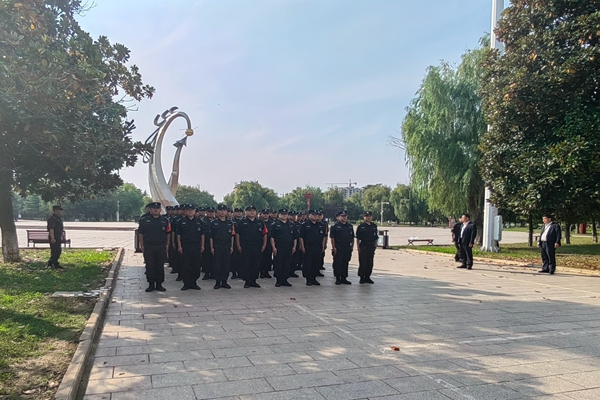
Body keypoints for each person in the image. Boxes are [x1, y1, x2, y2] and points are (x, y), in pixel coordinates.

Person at [138, 202, 171, 292]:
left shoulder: (165, 220)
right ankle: (151, 284)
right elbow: (140, 233)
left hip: (161, 246)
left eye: (157, 208)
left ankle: (159, 284)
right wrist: (142, 245)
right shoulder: (144, 220)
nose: (156, 210)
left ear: (160, 209)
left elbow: (168, 233)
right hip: (149, 246)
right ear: (150, 210)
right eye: (154, 208)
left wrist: (167, 244)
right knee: (150, 265)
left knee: (160, 265)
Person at [235, 205, 268, 288]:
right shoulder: (242, 222)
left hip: (257, 246)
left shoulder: (260, 222)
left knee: (256, 263)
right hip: (246, 246)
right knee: (246, 264)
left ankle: (254, 280)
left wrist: (264, 245)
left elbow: (264, 234)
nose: (252, 212)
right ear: (246, 212)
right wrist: (238, 245)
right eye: (249, 210)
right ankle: (247, 281)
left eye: (253, 210)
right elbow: (238, 234)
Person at [176, 204, 204, 290]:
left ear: (195, 211)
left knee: (196, 266)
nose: (190, 211)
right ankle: (186, 283)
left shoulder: (199, 221)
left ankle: (194, 282)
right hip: (186, 246)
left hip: (196, 246)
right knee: (186, 265)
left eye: (192, 210)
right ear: (186, 211)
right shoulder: (181, 221)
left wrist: (202, 245)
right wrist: (179, 246)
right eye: (188, 210)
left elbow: (202, 234)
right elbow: (178, 235)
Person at [299, 210, 327, 286]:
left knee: (316, 263)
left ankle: (314, 278)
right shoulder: (305, 225)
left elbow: (323, 237)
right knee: (308, 263)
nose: (315, 216)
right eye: (313, 215)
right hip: (308, 247)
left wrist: (323, 246)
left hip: (318, 247)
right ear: (309, 215)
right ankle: (308, 279)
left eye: (316, 215)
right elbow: (301, 236)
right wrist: (302, 246)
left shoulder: (321, 225)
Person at [270, 209, 297, 287]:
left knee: (287, 264)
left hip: (288, 247)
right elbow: (272, 237)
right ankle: (278, 280)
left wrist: (294, 246)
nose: (284, 215)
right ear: (279, 215)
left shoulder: (291, 225)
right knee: (278, 264)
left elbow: (295, 237)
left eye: (285, 214)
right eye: (282, 214)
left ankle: (285, 280)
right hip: (279, 247)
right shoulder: (275, 225)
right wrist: (273, 247)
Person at [210, 204, 235, 289]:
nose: (222, 212)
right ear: (217, 212)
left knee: (226, 264)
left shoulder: (230, 223)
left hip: (227, 246)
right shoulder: (214, 223)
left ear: (226, 212)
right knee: (217, 264)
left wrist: (232, 246)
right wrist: (212, 247)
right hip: (217, 246)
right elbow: (211, 236)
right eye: (220, 210)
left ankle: (224, 281)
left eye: (224, 210)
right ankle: (217, 281)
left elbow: (232, 236)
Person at [330, 210, 354, 285]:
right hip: (338, 246)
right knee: (338, 262)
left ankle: (344, 278)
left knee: (345, 262)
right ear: (338, 217)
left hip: (347, 246)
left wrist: (352, 246)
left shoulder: (349, 226)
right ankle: (338, 278)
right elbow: (332, 238)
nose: (344, 218)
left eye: (345, 216)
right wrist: (334, 247)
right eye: (342, 216)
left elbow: (352, 237)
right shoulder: (335, 226)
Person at [356, 211, 378, 284]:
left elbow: (376, 237)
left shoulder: (374, 226)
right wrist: (358, 247)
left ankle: (367, 277)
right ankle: (362, 277)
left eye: (370, 216)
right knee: (363, 262)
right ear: (364, 217)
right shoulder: (361, 226)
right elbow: (358, 238)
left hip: (371, 246)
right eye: (367, 216)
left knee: (370, 263)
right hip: (363, 246)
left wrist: (375, 244)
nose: (368, 218)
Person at [47, 205, 64, 269]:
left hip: (58, 237)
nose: (60, 211)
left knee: (58, 251)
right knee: (54, 251)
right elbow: (51, 229)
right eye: (59, 210)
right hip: (54, 237)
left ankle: (55, 263)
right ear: (56, 210)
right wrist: (52, 238)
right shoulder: (52, 219)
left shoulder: (58, 218)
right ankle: (50, 263)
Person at [230, 207, 244, 280]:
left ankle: (241, 273)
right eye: (237, 212)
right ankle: (234, 273)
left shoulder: (244, 221)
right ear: (234, 213)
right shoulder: (231, 222)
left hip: (243, 242)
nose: (239, 213)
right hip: (234, 242)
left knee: (242, 259)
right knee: (234, 258)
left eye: (240, 212)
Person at [259, 209, 273, 278]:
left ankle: (266, 272)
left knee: (268, 257)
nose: (265, 215)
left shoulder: (272, 223)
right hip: (261, 242)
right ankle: (261, 272)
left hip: (269, 242)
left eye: (267, 214)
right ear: (261, 214)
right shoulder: (259, 223)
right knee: (261, 258)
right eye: (264, 213)